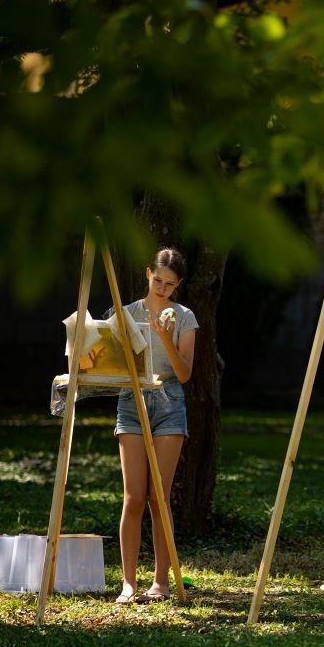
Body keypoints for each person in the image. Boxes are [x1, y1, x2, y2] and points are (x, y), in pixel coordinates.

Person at [111, 247, 198, 604]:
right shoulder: (125, 314)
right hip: (131, 402)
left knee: (158, 497)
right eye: (158, 280)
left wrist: (164, 337)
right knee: (133, 497)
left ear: (178, 285)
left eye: (170, 284)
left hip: (169, 403)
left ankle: (160, 582)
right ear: (148, 273)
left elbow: (185, 373)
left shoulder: (184, 317)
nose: (162, 289)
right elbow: (110, 362)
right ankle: (128, 583)